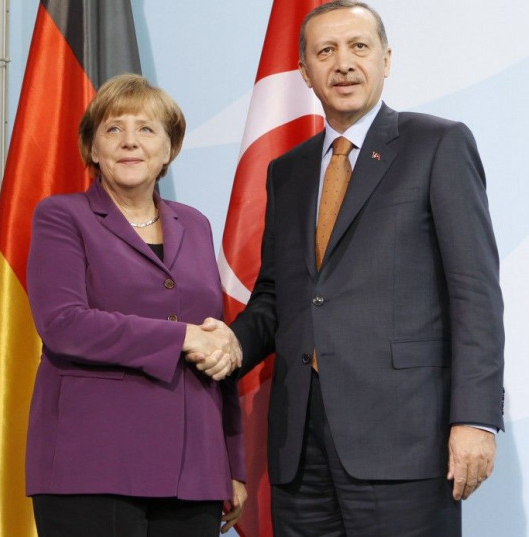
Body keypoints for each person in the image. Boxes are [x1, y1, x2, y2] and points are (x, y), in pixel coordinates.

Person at [211, 1, 504, 535]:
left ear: (386, 59)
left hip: (405, 440)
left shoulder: (438, 144)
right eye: (326, 51)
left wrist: (475, 419)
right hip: (301, 446)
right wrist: (228, 345)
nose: (343, 63)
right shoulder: (288, 171)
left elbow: (475, 293)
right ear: (305, 72)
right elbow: (278, 296)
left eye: (358, 47)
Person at [24, 73, 247, 537]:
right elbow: (63, 324)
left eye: (147, 129)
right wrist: (182, 335)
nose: (130, 142)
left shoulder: (196, 224)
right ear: (92, 149)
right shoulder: (61, 216)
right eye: (113, 129)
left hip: (194, 470)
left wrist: (232, 460)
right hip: (91, 464)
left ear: (169, 149)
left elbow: (213, 339)